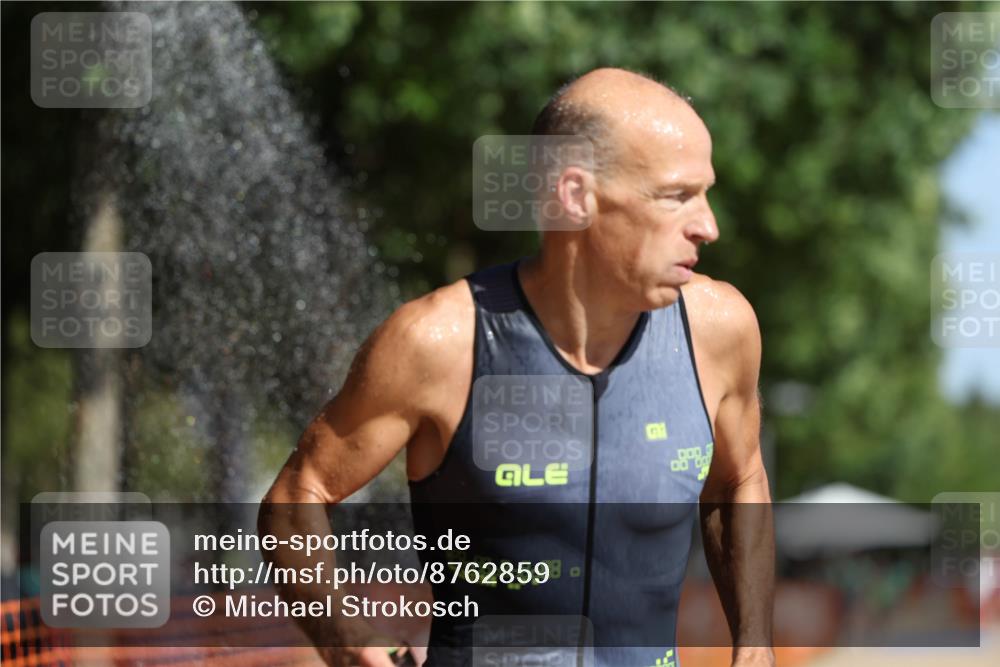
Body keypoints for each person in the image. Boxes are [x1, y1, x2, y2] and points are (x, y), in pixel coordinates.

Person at [260, 67, 775, 667]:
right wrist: (351, 646)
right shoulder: (440, 343)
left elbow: (740, 480)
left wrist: (755, 644)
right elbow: (296, 497)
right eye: (676, 195)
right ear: (576, 195)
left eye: (705, 193)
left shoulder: (718, 331)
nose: (708, 225)